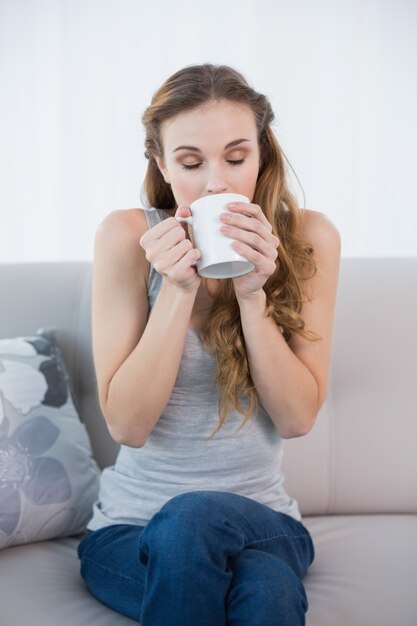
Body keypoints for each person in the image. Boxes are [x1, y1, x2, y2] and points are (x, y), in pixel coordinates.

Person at [77, 63, 341, 625]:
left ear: (263, 155)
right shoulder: (127, 238)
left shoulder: (310, 238)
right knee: (259, 584)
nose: (217, 183)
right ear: (163, 166)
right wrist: (177, 289)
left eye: (237, 157)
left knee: (206, 525)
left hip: (263, 522)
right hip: (132, 531)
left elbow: (296, 418)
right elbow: (128, 426)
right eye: (192, 163)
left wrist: (252, 296)